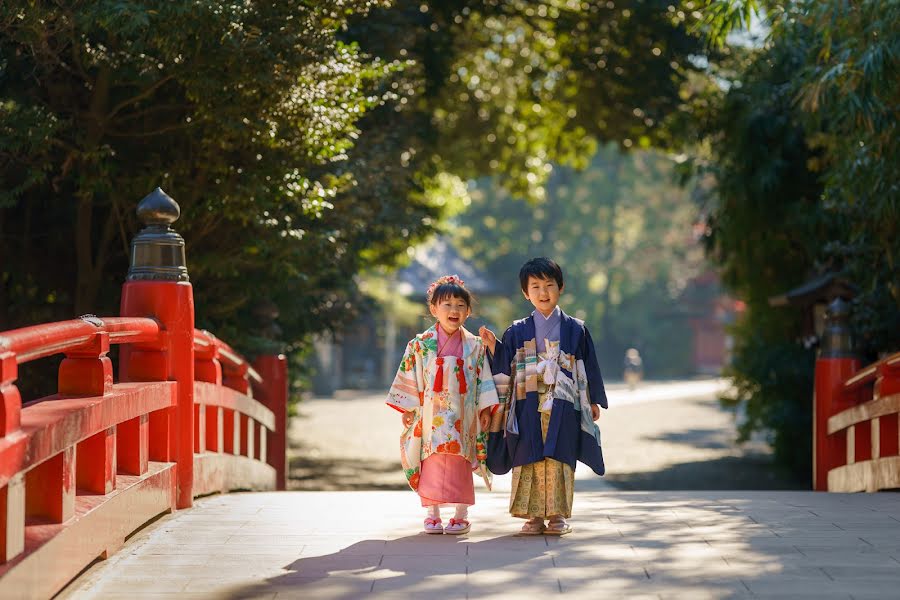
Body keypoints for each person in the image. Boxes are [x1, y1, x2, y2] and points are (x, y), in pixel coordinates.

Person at [479, 257, 606, 536]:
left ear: (560, 287)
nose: (543, 292)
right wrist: (494, 348)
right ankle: (533, 516)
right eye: (535, 286)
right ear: (526, 293)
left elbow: (589, 365)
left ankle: (558, 516)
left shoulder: (576, 328)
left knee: (561, 458)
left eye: (549, 285)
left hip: (564, 402)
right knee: (528, 457)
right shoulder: (516, 330)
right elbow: (505, 364)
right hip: (527, 403)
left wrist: (592, 399)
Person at [386, 275, 499, 535]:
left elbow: (484, 379)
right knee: (432, 460)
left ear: (468, 312)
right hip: (430, 414)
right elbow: (410, 377)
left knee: (461, 461)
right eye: (446, 304)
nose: (454, 310)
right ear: (433, 309)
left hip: (464, 412)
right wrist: (408, 409)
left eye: (460, 305)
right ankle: (432, 513)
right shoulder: (419, 345)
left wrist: (484, 410)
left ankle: (461, 513)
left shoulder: (476, 346)